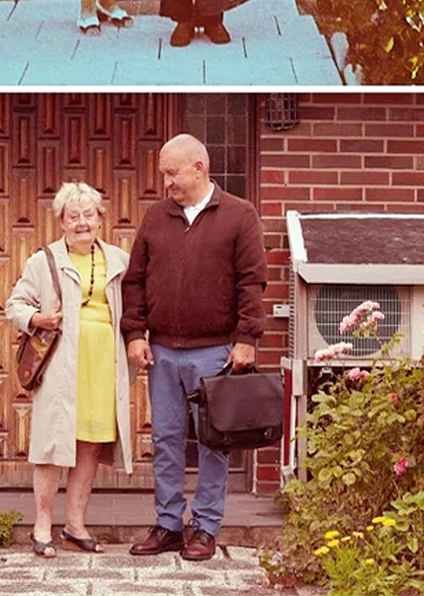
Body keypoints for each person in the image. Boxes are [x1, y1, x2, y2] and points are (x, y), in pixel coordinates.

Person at [121, 134, 266, 561]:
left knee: (213, 442)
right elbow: (135, 281)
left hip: (216, 353)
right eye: (164, 173)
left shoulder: (240, 215)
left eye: (172, 172)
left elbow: (251, 281)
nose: (166, 182)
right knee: (165, 439)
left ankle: (205, 528)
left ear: (199, 167)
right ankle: (168, 525)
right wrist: (134, 334)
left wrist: (247, 338)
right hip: (163, 352)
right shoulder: (155, 218)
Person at [5, 181, 132, 557]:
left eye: (88, 215)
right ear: (61, 221)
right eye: (72, 216)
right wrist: (38, 318)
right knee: (50, 445)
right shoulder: (42, 261)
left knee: (90, 443)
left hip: (102, 363)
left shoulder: (117, 259)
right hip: (60, 365)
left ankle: (75, 526)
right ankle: (42, 526)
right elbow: (14, 305)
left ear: (100, 219)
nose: (81, 223)